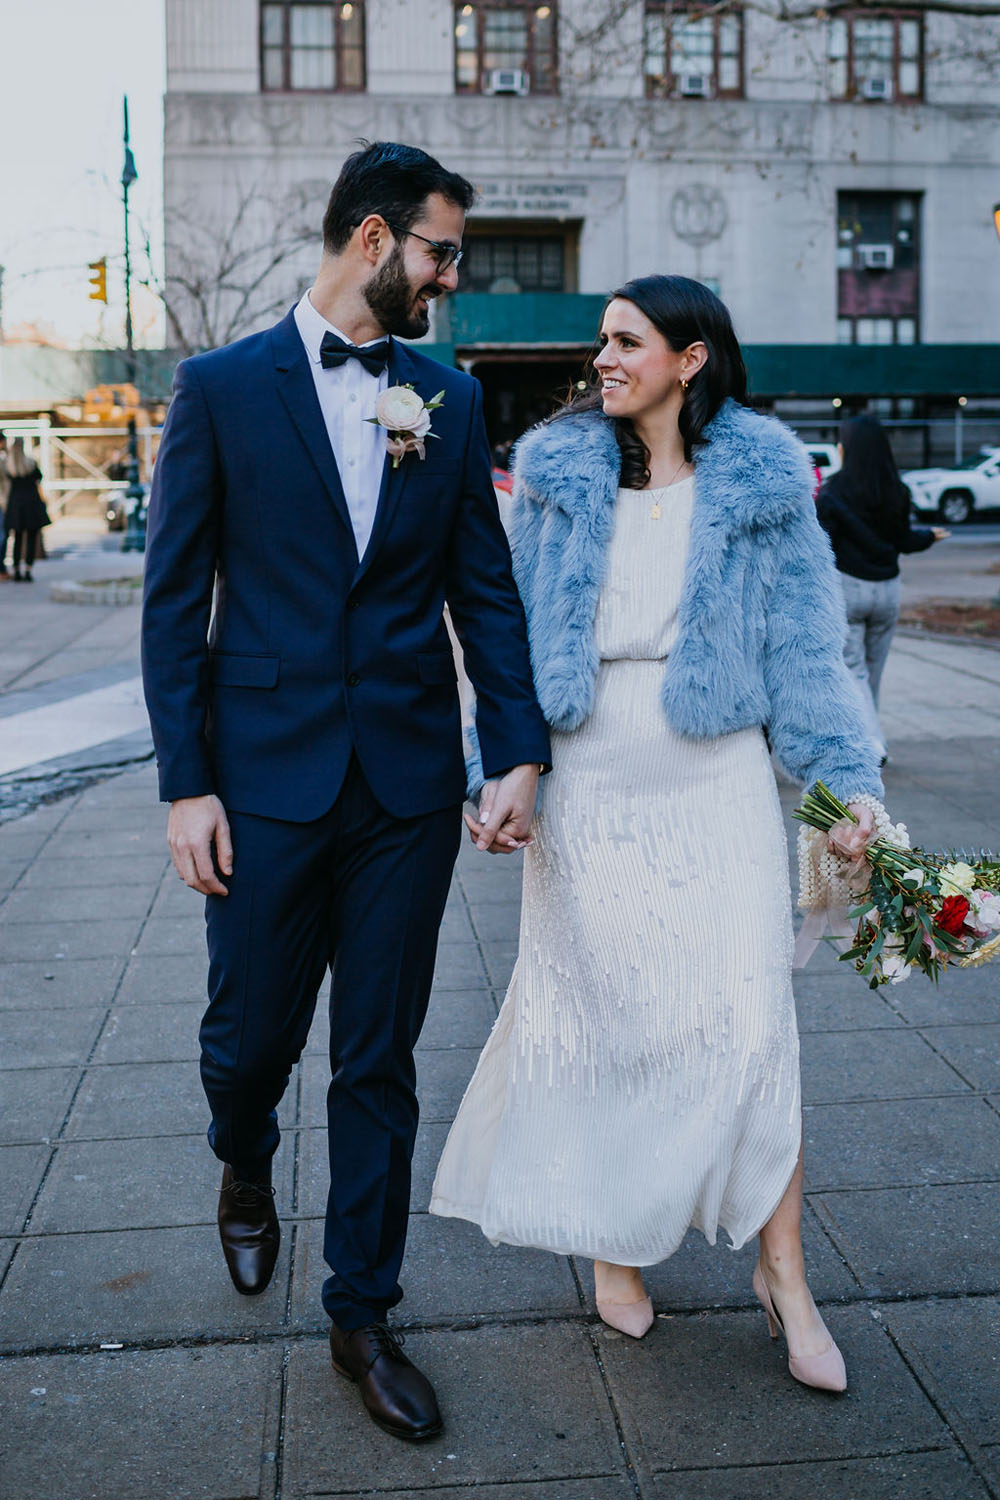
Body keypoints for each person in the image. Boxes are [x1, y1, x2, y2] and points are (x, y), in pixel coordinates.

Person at [141, 141, 550, 1442]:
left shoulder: (449, 395)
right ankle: (244, 1151)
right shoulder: (219, 389)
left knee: (378, 1056)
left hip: (410, 787)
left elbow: (482, 588)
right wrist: (185, 784)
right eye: (440, 250)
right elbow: (172, 604)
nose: (450, 275)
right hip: (259, 781)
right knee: (248, 1041)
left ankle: (362, 1312)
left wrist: (517, 748)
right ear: (373, 240)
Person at [431, 275, 885, 1394]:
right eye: (601, 340)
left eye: (626, 340)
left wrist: (847, 786)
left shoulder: (766, 487)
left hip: (715, 778)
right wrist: (502, 772)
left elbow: (806, 654)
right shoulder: (552, 479)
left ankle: (783, 1276)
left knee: (747, 1023)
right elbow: (508, 640)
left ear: (689, 358)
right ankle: (613, 1240)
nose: (603, 358)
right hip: (590, 785)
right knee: (604, 1025)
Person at [816, 414, 947, 764]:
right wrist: (928, 537)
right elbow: (903, 540)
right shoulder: (897, 490)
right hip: (888, 590)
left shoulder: (832, 492)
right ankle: (868, 736)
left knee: (854, 669)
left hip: (849, 590)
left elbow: (821, 546)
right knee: (872, 672)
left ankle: (872, 744)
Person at [4, 437, 50, 581]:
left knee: (17, 539)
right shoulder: (30, 463)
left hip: (15, 505)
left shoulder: (8, 465)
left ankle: (16, 570)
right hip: (31, 503)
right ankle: (28, 570)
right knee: (31, 539)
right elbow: (39, 477)